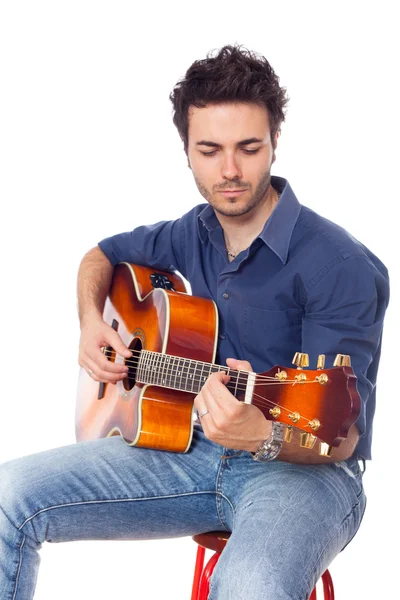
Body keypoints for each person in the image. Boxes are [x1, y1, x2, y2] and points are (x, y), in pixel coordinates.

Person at [0, 44, 389, 600]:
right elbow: (100, 256)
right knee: (8, 494)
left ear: (275, 143)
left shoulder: (338, 266)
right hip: (186, 445)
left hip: (304, 472)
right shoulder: (193, 230)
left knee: (249, 585)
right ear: (186, 151)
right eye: (209, 150)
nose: (229, 171)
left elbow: (341, 434)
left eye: (248, 148)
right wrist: (91, 323)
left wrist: (264, 434)